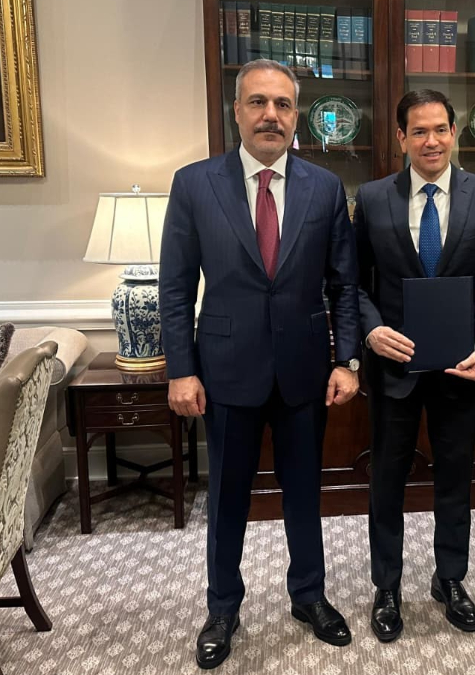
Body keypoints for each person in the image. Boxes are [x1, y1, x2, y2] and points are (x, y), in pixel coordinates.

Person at [159, 58, 362, 670]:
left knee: (304, 493)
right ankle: (223, 608)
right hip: (224, 370)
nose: (270, 115)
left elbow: (344, 285)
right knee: (227, 498)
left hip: (305, 370)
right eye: (257, 102)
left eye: (282, 104)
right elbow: (175, 287)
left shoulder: (325, 188)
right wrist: (180, 369)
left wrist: (348, 360)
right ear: (237, 111)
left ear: (296, 115)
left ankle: (309, 596)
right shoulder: (194, 184)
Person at [355, 89, 475, 641]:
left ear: (454, 133)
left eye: (441, 130)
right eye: (419, 131)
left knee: (455, 478)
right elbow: (353, 282)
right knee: (387, 481)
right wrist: (371, 330)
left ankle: (450, 579)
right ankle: (387, 587)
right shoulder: (372, 198)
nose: (432, 141)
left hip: (461, 366)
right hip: (393, 369)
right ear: (401, 137)